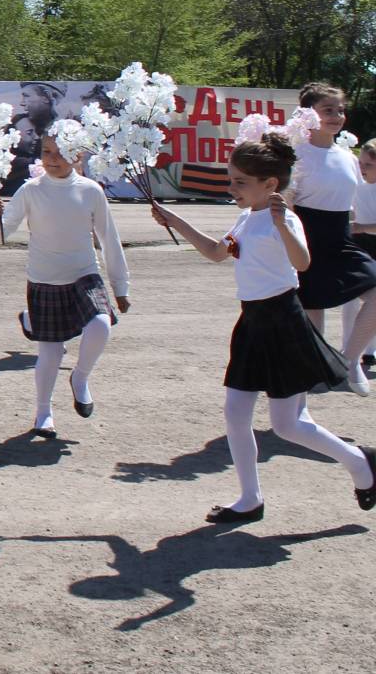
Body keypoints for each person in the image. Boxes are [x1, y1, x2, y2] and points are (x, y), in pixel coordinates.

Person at [151, 136, 376, 523]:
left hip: (283, 324)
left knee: (288, 425)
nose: (231, 187)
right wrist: (175, 219)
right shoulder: (245, 217)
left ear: (270, 185)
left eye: (240, 181)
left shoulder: (284, 218)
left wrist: (281, 224)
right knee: (236, 414)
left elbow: (302, 263)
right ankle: (250, 499)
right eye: (231, 179)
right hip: (252, 323)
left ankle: (360, 463)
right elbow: (216, 253)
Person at [0, 134, 131, 439]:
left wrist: (121, 286)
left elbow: (109, 239)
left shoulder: (91, 191)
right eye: (46, 152)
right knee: (50, 355)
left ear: (79, 156)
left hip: (84, 274)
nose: (52, 159)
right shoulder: (30, 190)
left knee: (101, 326)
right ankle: (44, 413)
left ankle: (80, 378)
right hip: (44, 280)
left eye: (61, 153)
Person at [286, 83, 376, 396]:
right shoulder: (296, 153)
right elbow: (286, 205)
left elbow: (348, 208)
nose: (337, 116)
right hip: (306, 243)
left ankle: (348, 361)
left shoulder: (347, 156)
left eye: (340, 110)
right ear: (309, 114)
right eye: (328, 110)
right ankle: (302, 407)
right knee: (314, 321)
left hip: (342, 241)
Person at [345, 139, 376, 370]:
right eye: (361, 162)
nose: (362, 167)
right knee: (350, 300)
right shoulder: (356, 184)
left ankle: (369, 350)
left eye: (368, 164)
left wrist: (361, 226)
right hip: (358, 244)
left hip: (370, 241)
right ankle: (349, 348)